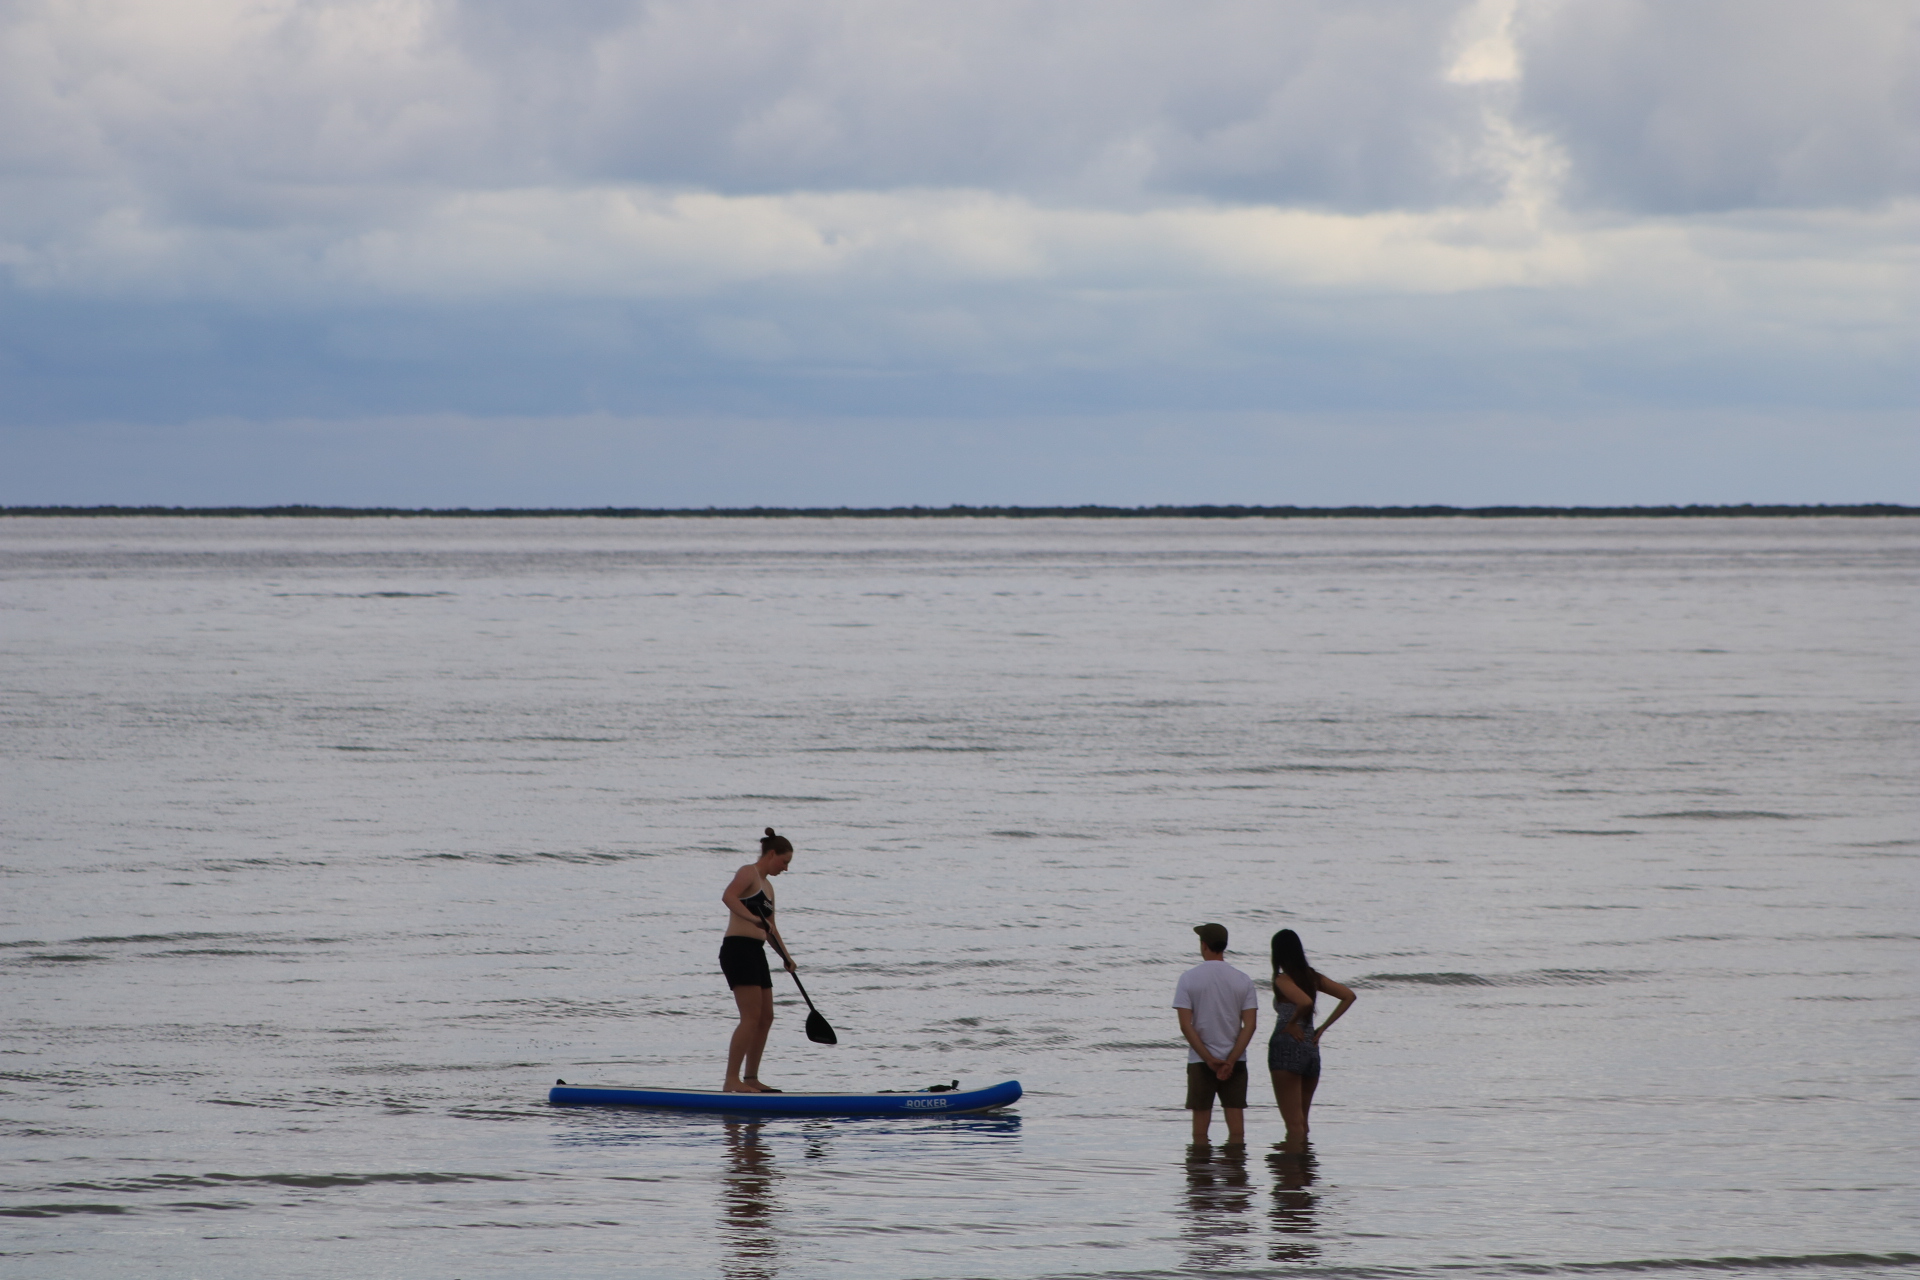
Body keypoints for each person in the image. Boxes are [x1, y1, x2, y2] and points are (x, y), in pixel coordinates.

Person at [720, 828, 797, 1093]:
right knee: (750, 1017)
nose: (785, 868)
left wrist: (786, 957)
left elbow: (771, 929)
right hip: (737, 949)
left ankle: (751, 1078)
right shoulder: (748, 872)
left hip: (757, 951)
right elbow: (728, 897)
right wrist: (753, 918)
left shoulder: (769, 888)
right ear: (771, 854)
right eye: (784, 862)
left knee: (766, 1017)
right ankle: (731, 1080)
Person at [1267, 928, 1356, 1152]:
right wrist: (1322, 1028)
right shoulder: (1312, 977)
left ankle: (1291, 1170)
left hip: (1286, 1047)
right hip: (1310, 1047)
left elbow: (1305, 1002)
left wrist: (1291, 1023)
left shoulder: (1282, 979)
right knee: (1303, 1123)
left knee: (1293, 1124)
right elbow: (1348, 995)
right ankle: (1304, 1167)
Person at [1173, 923, 1259, 1145]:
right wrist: (1230, 1061)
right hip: (1235, 1060)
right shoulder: (1242, 979)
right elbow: (1250, 1026)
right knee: (1237, 1130)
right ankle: (1236, 1163)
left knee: (1200, 1132)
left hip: (1200, 1060)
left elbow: (1186, 1025)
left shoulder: (1188, 978)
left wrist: (1209, 1059)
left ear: (1204, 945)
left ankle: (1201, 1164)